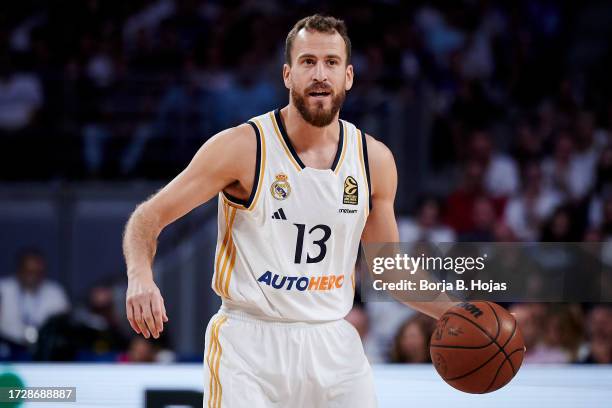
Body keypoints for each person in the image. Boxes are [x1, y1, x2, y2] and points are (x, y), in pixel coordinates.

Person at [123, 15, 456, 408]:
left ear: (348, 76)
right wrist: (141, 277)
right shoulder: (242, 148)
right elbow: (148, 217)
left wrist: (455, 312)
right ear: (287, 74)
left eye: (331, 62)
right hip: (249, 343)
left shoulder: (374, 160)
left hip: (333, 342)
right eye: (308, 61)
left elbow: (389, 269)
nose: (320, 74)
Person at [0, 249, 70, 344]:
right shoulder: (3, 288)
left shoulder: (55, 292)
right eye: (28, 271)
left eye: (37, 272)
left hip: (44, 348)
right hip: (7, 345)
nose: (32, 276)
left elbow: (63, 325)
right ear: (19, 270)